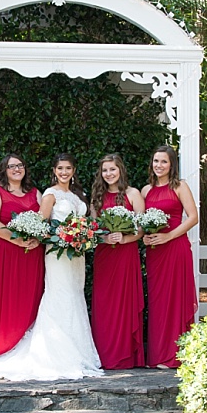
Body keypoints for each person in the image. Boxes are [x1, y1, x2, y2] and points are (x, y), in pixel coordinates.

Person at [0, 155, 102, 380]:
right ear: (54, 170)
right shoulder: (48, 194)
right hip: (57, 253)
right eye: (60, 168)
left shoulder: (77, 195)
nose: (64, 172)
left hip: (76, 255)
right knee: (59, 295)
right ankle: (56, 354)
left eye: (68, 168)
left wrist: (83, 236)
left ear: (74, 170)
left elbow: (81, 221)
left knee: (75, 296)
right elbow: (42, 224)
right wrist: (62, 237)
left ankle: (79, 351)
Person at [0, 153, 45, 362]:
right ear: (4, 170)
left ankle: (24, 351)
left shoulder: (35, 193)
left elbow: (44, 221)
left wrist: (37, 239)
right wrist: (16, 240)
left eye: (20, 165)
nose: (16, 169)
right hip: (1, 254)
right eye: (12, 166)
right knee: (1, 302)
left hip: (30, 256)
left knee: (26, 302)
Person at [141, 146, 199, 369]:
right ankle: (158, 355)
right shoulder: (146, 190)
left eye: (163, 162)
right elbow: (144, 222)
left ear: (172, 164)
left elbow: (193, 217)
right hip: (155, 252)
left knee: (175, 299)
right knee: (157, 301)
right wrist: (146, 238)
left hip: (175, 248)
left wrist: (168, 237)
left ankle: (175, 355)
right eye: (156, 161)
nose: (159, 166)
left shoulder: (179, 186)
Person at [89, 152, 145, 370]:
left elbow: (142, 227)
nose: (109, 173)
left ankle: (125, 356)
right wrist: (105, 237)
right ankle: (105, 356)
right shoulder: (97, 198)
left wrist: (125, 238)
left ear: (120, 170)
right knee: (104, 305)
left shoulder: (133, 194)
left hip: (125, 255)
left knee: (125, 302)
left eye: (112, 169)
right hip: (105, 256)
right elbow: (93, 230)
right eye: (105, 170)